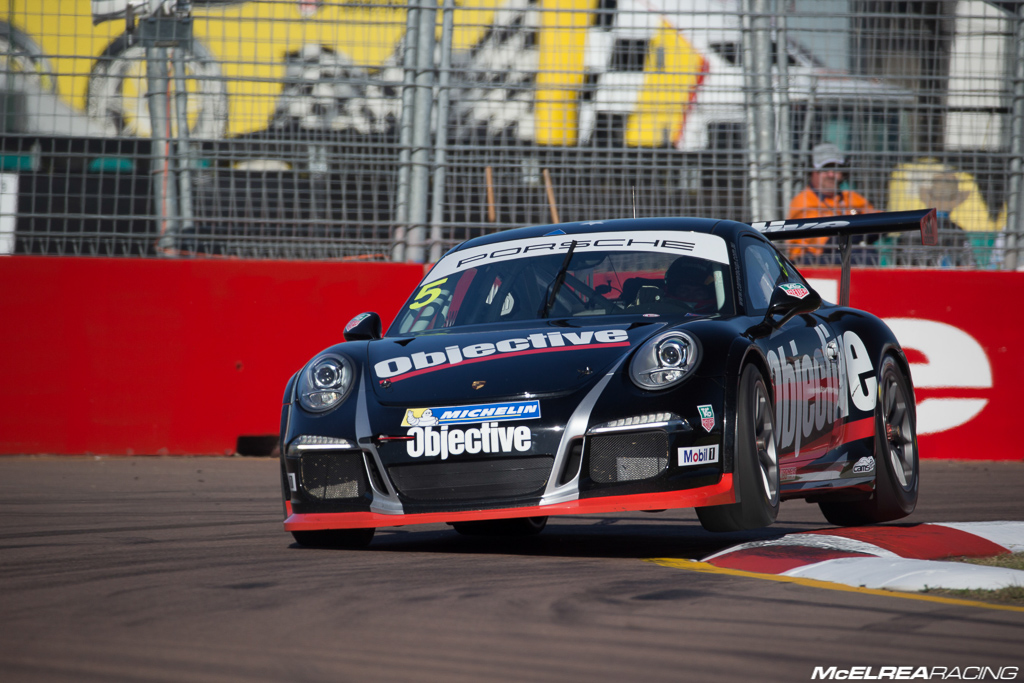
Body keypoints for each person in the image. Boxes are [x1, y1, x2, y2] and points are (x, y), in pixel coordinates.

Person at [786, 143, 876, 264]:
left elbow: (879, 221)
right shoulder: (803, 201)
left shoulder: (850, 197)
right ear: (813, 171)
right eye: (825, 169)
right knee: (861, 255)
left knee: (867, 254)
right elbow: (827, 241)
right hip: (810, 261)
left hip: (842, 253)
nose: (831, 174)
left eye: (836, 168)